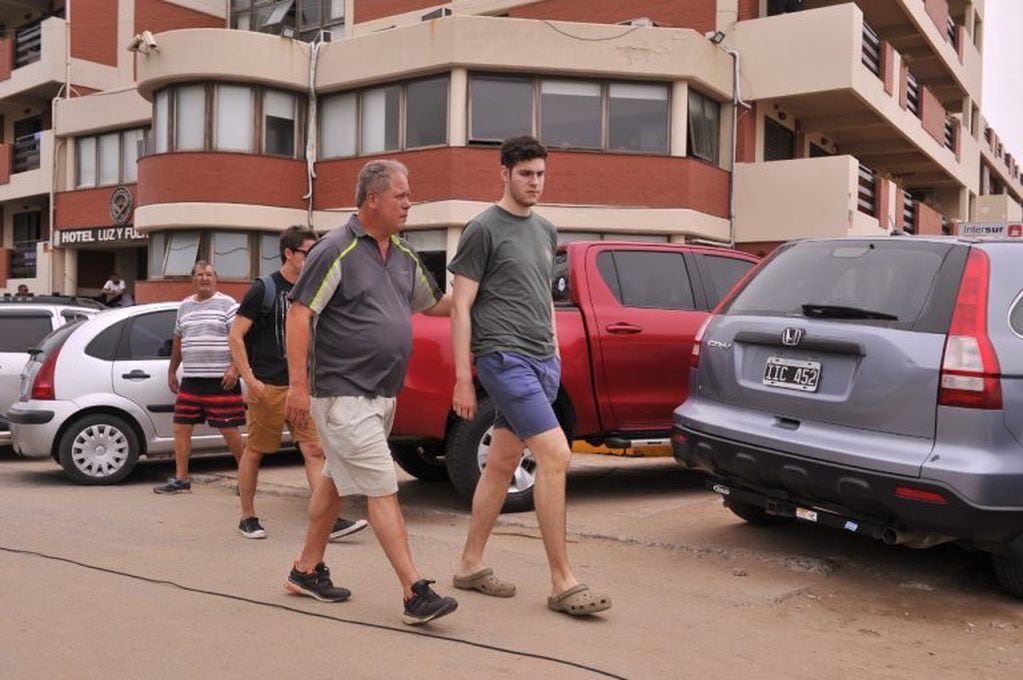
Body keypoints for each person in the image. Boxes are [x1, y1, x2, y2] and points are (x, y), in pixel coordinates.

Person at [283, 159, 458, 625]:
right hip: (341, 393)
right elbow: (300, 313)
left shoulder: (402, 253)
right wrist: (298, 387)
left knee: (336, 481)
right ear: (372, 199)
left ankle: (306, 569)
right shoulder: (334, 249)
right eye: (401, 195)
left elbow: (435, 304)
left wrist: (479, 296)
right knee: (382, 488)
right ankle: (414, 591)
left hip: (382, 394)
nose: (409, 202)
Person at [448, 136, 611, 616]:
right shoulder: (482, 229)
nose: (535, 182)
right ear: (504, 173)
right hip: (503, 357)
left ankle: (470, 564)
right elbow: (461, 306)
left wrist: (555, 353)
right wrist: (463, 377)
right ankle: (563, 581)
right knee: (556, 455)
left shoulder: (545, 229)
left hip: (543, 359)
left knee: (501, 463)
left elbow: (541, 297)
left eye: (540, 173)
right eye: (525, 174)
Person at [228, 226, 368, 542]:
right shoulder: (263, 289)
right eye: (308, 252)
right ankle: (247, 517)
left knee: (315, 450)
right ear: (289, 253)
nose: (314, 257)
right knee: (255, 452)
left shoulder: (318, 288)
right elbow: (235, 336)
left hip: (304, 388)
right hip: (269, 387)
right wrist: (249, 378)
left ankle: (327, 521)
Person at [154, 261, 245, 494]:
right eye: (200, 275)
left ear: (216, 278)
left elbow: (239, 339)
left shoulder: (228, 304)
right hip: (192, 379)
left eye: (209, 274)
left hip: (221, 380)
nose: (204, 278)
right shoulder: (184, 306)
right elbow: (178, 341)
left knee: (229, 430)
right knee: (181, 428)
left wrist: (235, 369)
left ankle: (246, 477)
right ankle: (181, 479)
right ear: (193, 279)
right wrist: (172, 370)